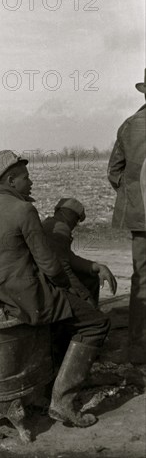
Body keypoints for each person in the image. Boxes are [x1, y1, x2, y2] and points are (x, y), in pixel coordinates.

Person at [0, 151, 110, 427]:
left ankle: (50, 381)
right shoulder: (23, 209)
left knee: (65, 313)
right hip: (17, 294)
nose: (30, 183)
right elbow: (50, 265)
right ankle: (63, 403)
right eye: (26, 177)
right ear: (11, 179)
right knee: (96, 322)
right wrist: (76, 292)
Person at [108, 69, 146, 365]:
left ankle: (137, 349)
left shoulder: (129, 125)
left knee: (142, 279)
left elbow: (114, 172)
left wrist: (135, 194)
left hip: (141, 216)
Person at [42, 198, 117, 308]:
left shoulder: (49, 223)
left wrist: (95, 266)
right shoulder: (60, 228)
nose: (76, 224)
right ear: (69, 216)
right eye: (76, 219)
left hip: (47, 277)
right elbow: (64, 268)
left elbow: (67, 256)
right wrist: (85, 297)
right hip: (50, 282)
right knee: (91, 282)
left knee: (90, 276)